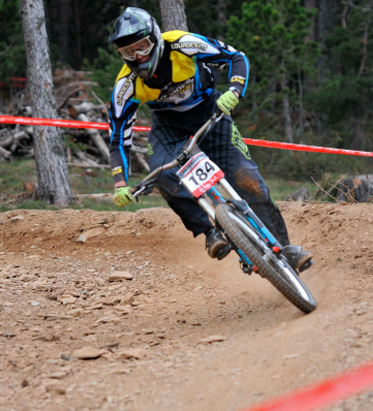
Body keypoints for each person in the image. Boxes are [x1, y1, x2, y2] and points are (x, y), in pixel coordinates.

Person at [107, 7, 313, 272]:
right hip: (168, 127)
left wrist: (235, 89)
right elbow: (118, 140)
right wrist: (119, 184)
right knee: (162, 176)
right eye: (127, 52)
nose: (137, 56)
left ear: (156, 38)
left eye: (142, 46)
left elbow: (235, 57)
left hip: (210, 111)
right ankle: (209, 232)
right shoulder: (124, 87)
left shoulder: (183, 44)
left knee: (248, 180)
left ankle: (286, 250)